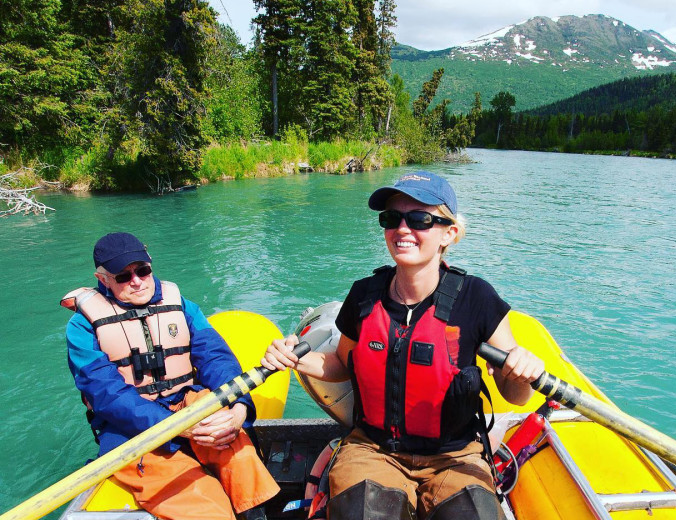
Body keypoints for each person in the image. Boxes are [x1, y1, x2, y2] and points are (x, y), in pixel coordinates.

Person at [262, 172, 545, 519]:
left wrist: (521, 372)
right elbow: (340, 362)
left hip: (454, 457)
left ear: (449, 233)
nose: (403, 229)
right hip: (372, 450)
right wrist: (296, 360)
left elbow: (516, 396)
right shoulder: (364, 295)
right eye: (391, 218)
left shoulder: (477, 298)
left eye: (420, 219)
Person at [62, 232, 278, 520]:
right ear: (103, 279)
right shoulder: (82, 327)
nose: (137, 281)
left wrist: (239, 407)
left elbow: (216, 358)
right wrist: (176, 427)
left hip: (185, 402)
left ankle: (255, 511)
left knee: (239, 453)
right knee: (203, 504)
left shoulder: (182, 305)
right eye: (123, 276)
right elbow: (106, 394)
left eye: (142, 270)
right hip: (132, 429)